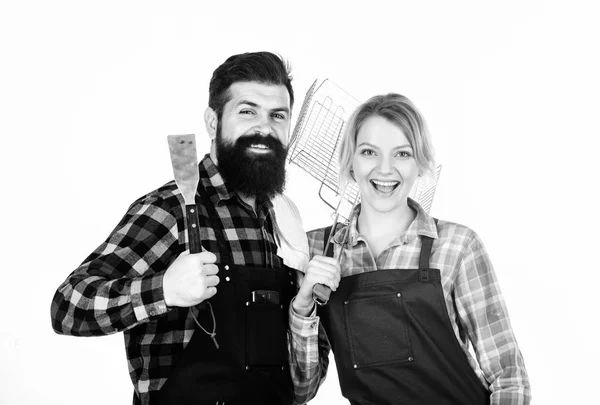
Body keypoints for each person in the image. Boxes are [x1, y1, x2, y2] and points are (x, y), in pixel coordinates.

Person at [51, 51, 310, 405]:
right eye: (247, 111)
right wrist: (163, 290)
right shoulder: (171, 209)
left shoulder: (282, 220)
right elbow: (68, 305)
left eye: (277, 116)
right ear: (212, 121)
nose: (264, 128)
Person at [289, 93, 531, 404]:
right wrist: (304, 304)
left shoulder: (457, 246)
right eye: (369, 152)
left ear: (420, 164)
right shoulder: (315, 251)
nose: (385, 169)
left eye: (402, 154)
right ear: (351, 163)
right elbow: (300, 389)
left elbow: (509, 377)